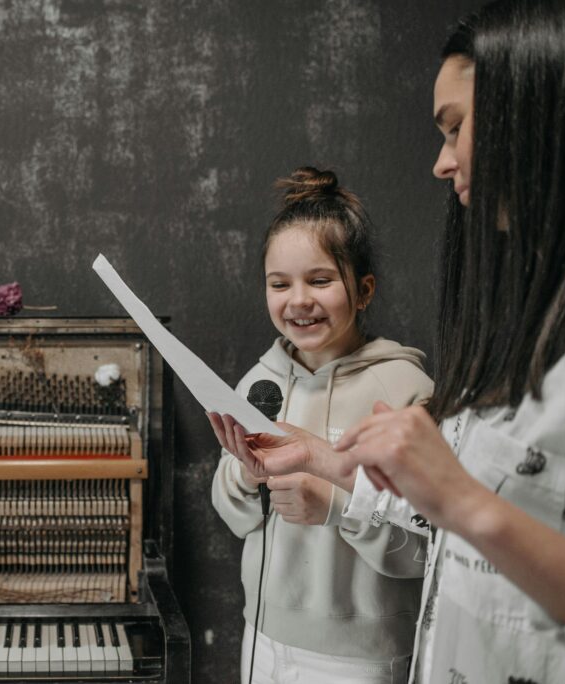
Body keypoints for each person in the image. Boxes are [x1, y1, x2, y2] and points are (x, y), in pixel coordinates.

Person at [217, 1, 565, 681]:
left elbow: (454, 523)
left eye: (456, 128)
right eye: (279, 283)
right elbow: (449, 536)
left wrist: (455, 498)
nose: (442, 164)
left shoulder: (406, 378)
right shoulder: (522, 327)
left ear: (539, 119)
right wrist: (326, 463)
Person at [208, 167, 434, 684]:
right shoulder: (258, 384)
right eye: (279, 284)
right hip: (262, 636)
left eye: (321, 280)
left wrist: (334, 506)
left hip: (360, 656)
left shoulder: (403, 389)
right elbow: (232, 513)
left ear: (364, 290)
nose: (299, 300)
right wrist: (246, 475)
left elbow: (426, 546)